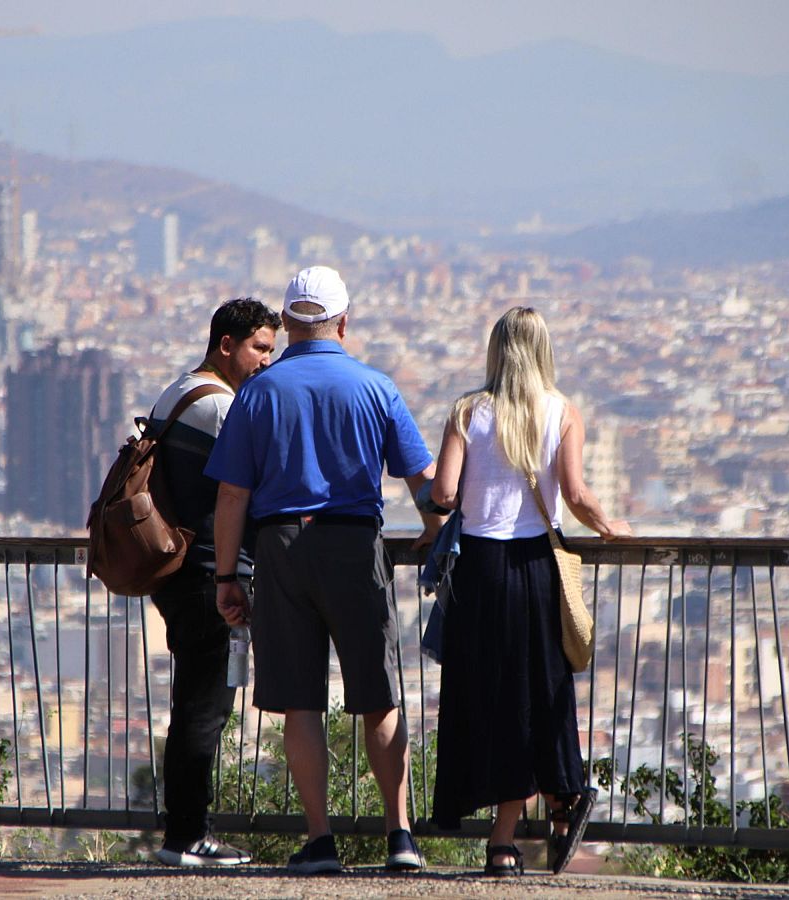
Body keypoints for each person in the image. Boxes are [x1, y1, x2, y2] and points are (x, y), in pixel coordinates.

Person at [206, 266, 441, 875]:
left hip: (281, 545)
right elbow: (425, 485)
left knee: (300, 702)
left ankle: (320, 841)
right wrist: (438, 533)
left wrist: (226, 577)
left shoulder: (259, 392)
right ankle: (400, 837)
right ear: (344, 320)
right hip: (355, 544)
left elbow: (232, 495)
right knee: (378, 696)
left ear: (285, 323)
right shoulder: (375, 387)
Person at [426, 307, 632, 876]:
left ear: (495, 350)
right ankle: (551, 804)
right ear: (544, 350)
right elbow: (576, 492)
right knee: (540, 689)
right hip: (538, 566)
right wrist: (612, 528)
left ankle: (509, 835)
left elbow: (444, 492)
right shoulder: (562, 411)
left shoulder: (468, 411)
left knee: (484, 693)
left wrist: (446, 507)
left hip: (480, 570)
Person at [148, 298, 280, 867]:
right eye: (259, 348)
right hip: (210, 574)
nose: (265, 362)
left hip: (177, 572)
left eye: (272, 350)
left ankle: (184, 829)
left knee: (193, 705)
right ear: (226, 344)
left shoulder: (176, 392)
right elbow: (252, 485)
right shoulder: (223, 406)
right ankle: (188, 835)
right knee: (206, 709)